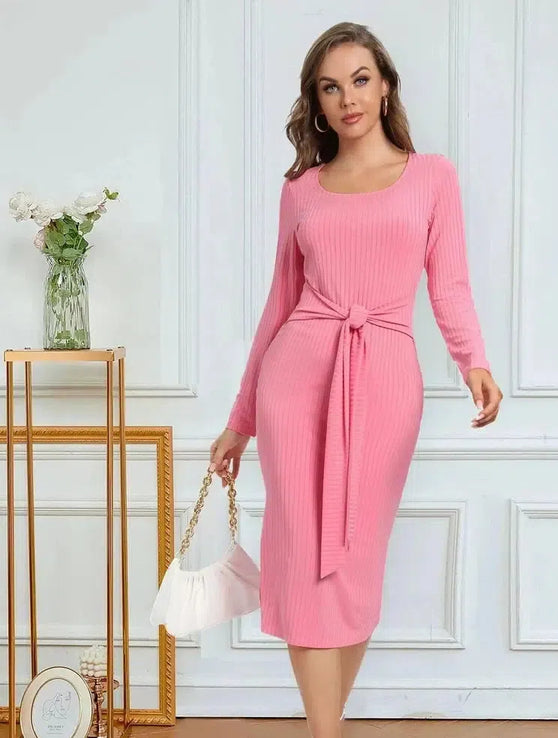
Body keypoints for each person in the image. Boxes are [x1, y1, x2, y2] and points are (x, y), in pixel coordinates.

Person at [209, 21, 503, 738]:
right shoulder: (301, 191)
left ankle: (326, 725)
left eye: (361, 80)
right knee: (302, 558)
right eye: (331, 86)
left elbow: (451, 284)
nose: (349, 98)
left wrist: (473, 360)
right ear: (315, 102)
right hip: (295, 379)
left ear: (387, 86)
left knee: (354, 560)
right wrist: (241, 418)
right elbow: (278, 305)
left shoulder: (432, 176)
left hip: (386, 382)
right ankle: (327, 733)